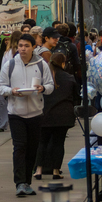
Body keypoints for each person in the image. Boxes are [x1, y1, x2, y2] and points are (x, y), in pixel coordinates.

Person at [0, 33, 54, 196]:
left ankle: (27, 182)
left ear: (33, 47)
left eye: (26, 46)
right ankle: (20, 183)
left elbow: (50, 86)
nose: (22, 49)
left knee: (32, 149)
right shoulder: (10, 64)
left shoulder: (41, 64)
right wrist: (11, 91)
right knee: (20, 147)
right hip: (16, 113)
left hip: (36, 113)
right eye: (20, 46)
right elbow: (0, 86)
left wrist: (42, 88)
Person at [34, 52, 77, 181]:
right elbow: (76, 97)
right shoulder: (69, 78)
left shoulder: (44, 78)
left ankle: (38, 170)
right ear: (63, 63)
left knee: (42, 142)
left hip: (45, 113)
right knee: (59, 143)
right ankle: (55, 171)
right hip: (64, 115)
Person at [0, 31, 21, 132]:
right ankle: (3, 124)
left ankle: (3, 124)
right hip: (8, 80)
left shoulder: (5, 53)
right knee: (4, 103)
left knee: (4, 103)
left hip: (5, 80)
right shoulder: (2, 52)